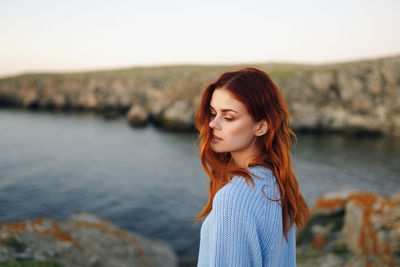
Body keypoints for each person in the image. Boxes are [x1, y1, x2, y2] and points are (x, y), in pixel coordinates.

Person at [193, 67, 310, 266]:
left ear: (261, 127)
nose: (213, 123)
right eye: (213, 113)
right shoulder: (278, 183)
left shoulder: (233, 198)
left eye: (228, 117)